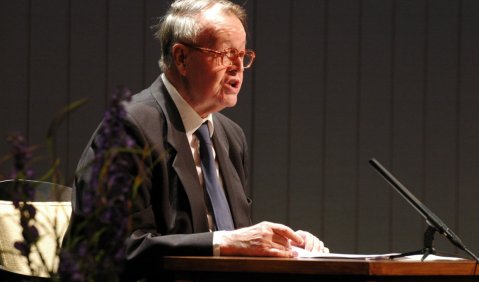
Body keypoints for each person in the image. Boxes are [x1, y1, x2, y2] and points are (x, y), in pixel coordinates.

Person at [67, 0, 328, 280]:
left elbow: (238, 240)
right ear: (181, 58)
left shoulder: (230, 136)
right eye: (227, 54)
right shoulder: (128, 129)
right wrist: (223, 243)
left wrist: (282, 247)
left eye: (243, 55)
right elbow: (109, 249)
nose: (238, 67)